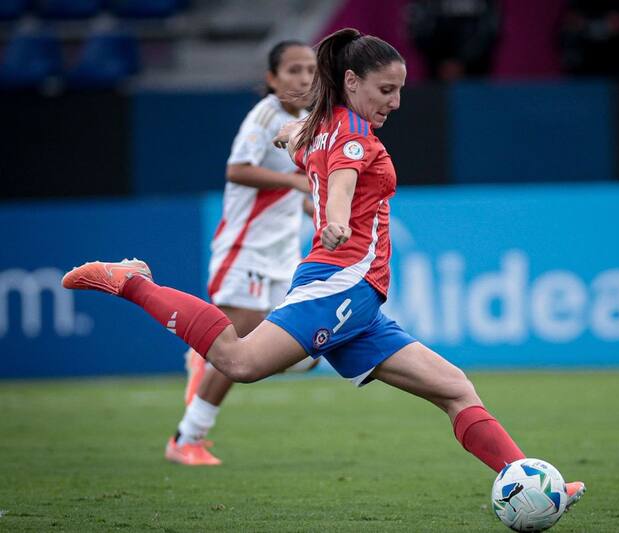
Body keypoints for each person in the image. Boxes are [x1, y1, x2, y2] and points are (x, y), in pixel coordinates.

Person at [62, 28, 585, 511]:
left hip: (360, 301)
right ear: (353, 81)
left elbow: (296, 137)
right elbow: (342, 182)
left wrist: (294, 139)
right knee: (239, 362)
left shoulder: (326, 123)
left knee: (455, 388)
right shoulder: (352, 135)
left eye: (400, 90)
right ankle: (130, 281)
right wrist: (333, 218)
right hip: (339, 285)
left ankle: (533, 481)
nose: (395, 102)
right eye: (386, 89)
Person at [166, 40, 318, 466]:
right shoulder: (266, 115)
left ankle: (203, 351)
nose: (303, 78)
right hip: (245, 248)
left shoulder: (307, 121)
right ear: (272, 78)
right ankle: (186, 438)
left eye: (309, 69)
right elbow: (237, 169)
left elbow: (297, 191)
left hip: (283, 252)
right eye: (292, 70)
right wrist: (295, 184)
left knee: (300, 348)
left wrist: (312, 207)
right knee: (240, 348)